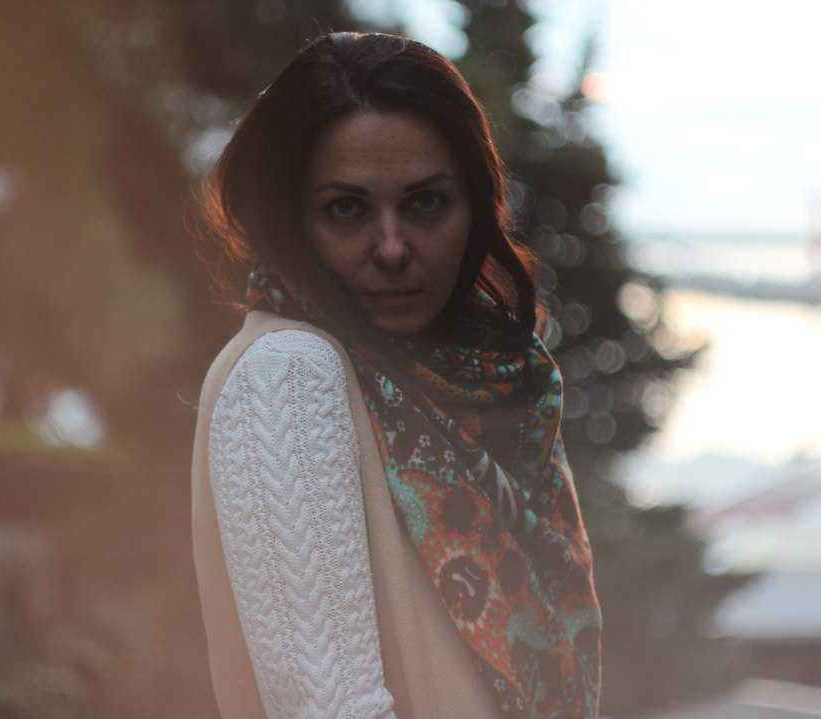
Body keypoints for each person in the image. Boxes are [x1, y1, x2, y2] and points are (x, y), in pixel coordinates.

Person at [191, 32, 601, 719]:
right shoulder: (290, 374)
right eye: (347, 208)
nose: (391, 248)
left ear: (475, 209)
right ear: (291, 220)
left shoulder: (445, 384)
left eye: (426, 203)